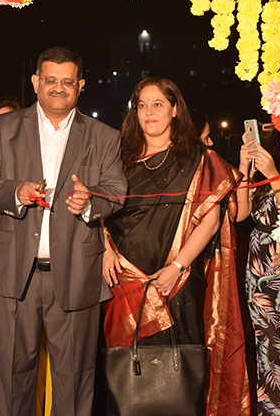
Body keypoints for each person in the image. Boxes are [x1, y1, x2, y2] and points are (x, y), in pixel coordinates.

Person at [0, 46, 128, 416]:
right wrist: (15, 192)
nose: (59, 87)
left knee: (74, 382)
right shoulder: (4, 128)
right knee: (13, 379)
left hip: (76, 274)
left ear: (80, 86)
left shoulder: (104, 136)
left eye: (67, 82)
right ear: (35, 82)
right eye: (51, 80)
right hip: (13, 275)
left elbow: (116, 192)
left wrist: (89, 202)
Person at [101, 77, 249, 416]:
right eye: (142, 105)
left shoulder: (201, 160)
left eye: (157, 104)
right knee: (124, 377)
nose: (149, 112)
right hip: (123, 282)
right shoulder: (117, 159)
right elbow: (99, 213)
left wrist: (177, 267)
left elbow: (210, 220)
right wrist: (105, 248)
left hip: (178, 284)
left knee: (179, 376)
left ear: (174, 109)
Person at [235, 124, 280, 416]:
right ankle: (269, 409)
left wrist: (274, 175)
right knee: (265, 339)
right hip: (259, 262)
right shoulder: (261, 166)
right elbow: (241, 213)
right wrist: (244, 166)